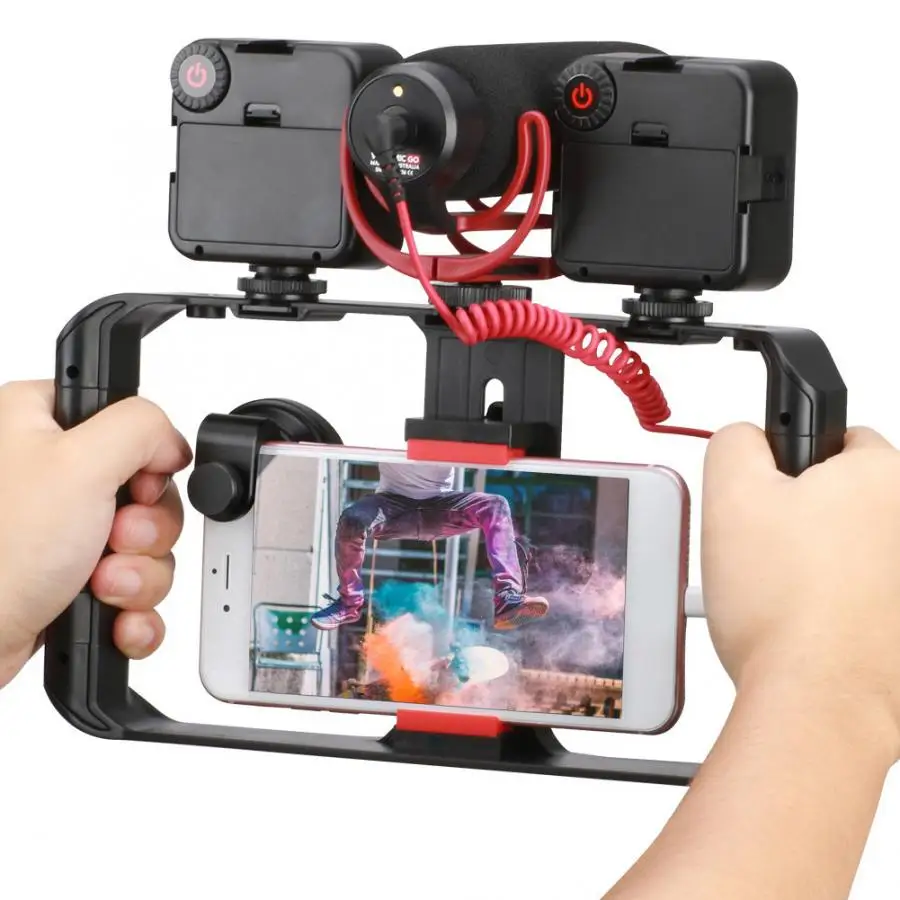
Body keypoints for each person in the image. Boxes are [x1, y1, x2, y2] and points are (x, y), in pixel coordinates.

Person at [1, 379, 900, 900]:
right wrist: (826, 687)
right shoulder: (389, 510)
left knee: (491, 507)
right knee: (360, 517)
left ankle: (506, 594)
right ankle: (348, 601)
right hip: (390, 513)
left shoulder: (454, 524)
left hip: (443, 515)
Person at [310, 461, 549, 632]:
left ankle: (507, 597)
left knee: (496, 505)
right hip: (391, 505)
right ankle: (349, 604)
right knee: (352, 521)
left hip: (440, 506)